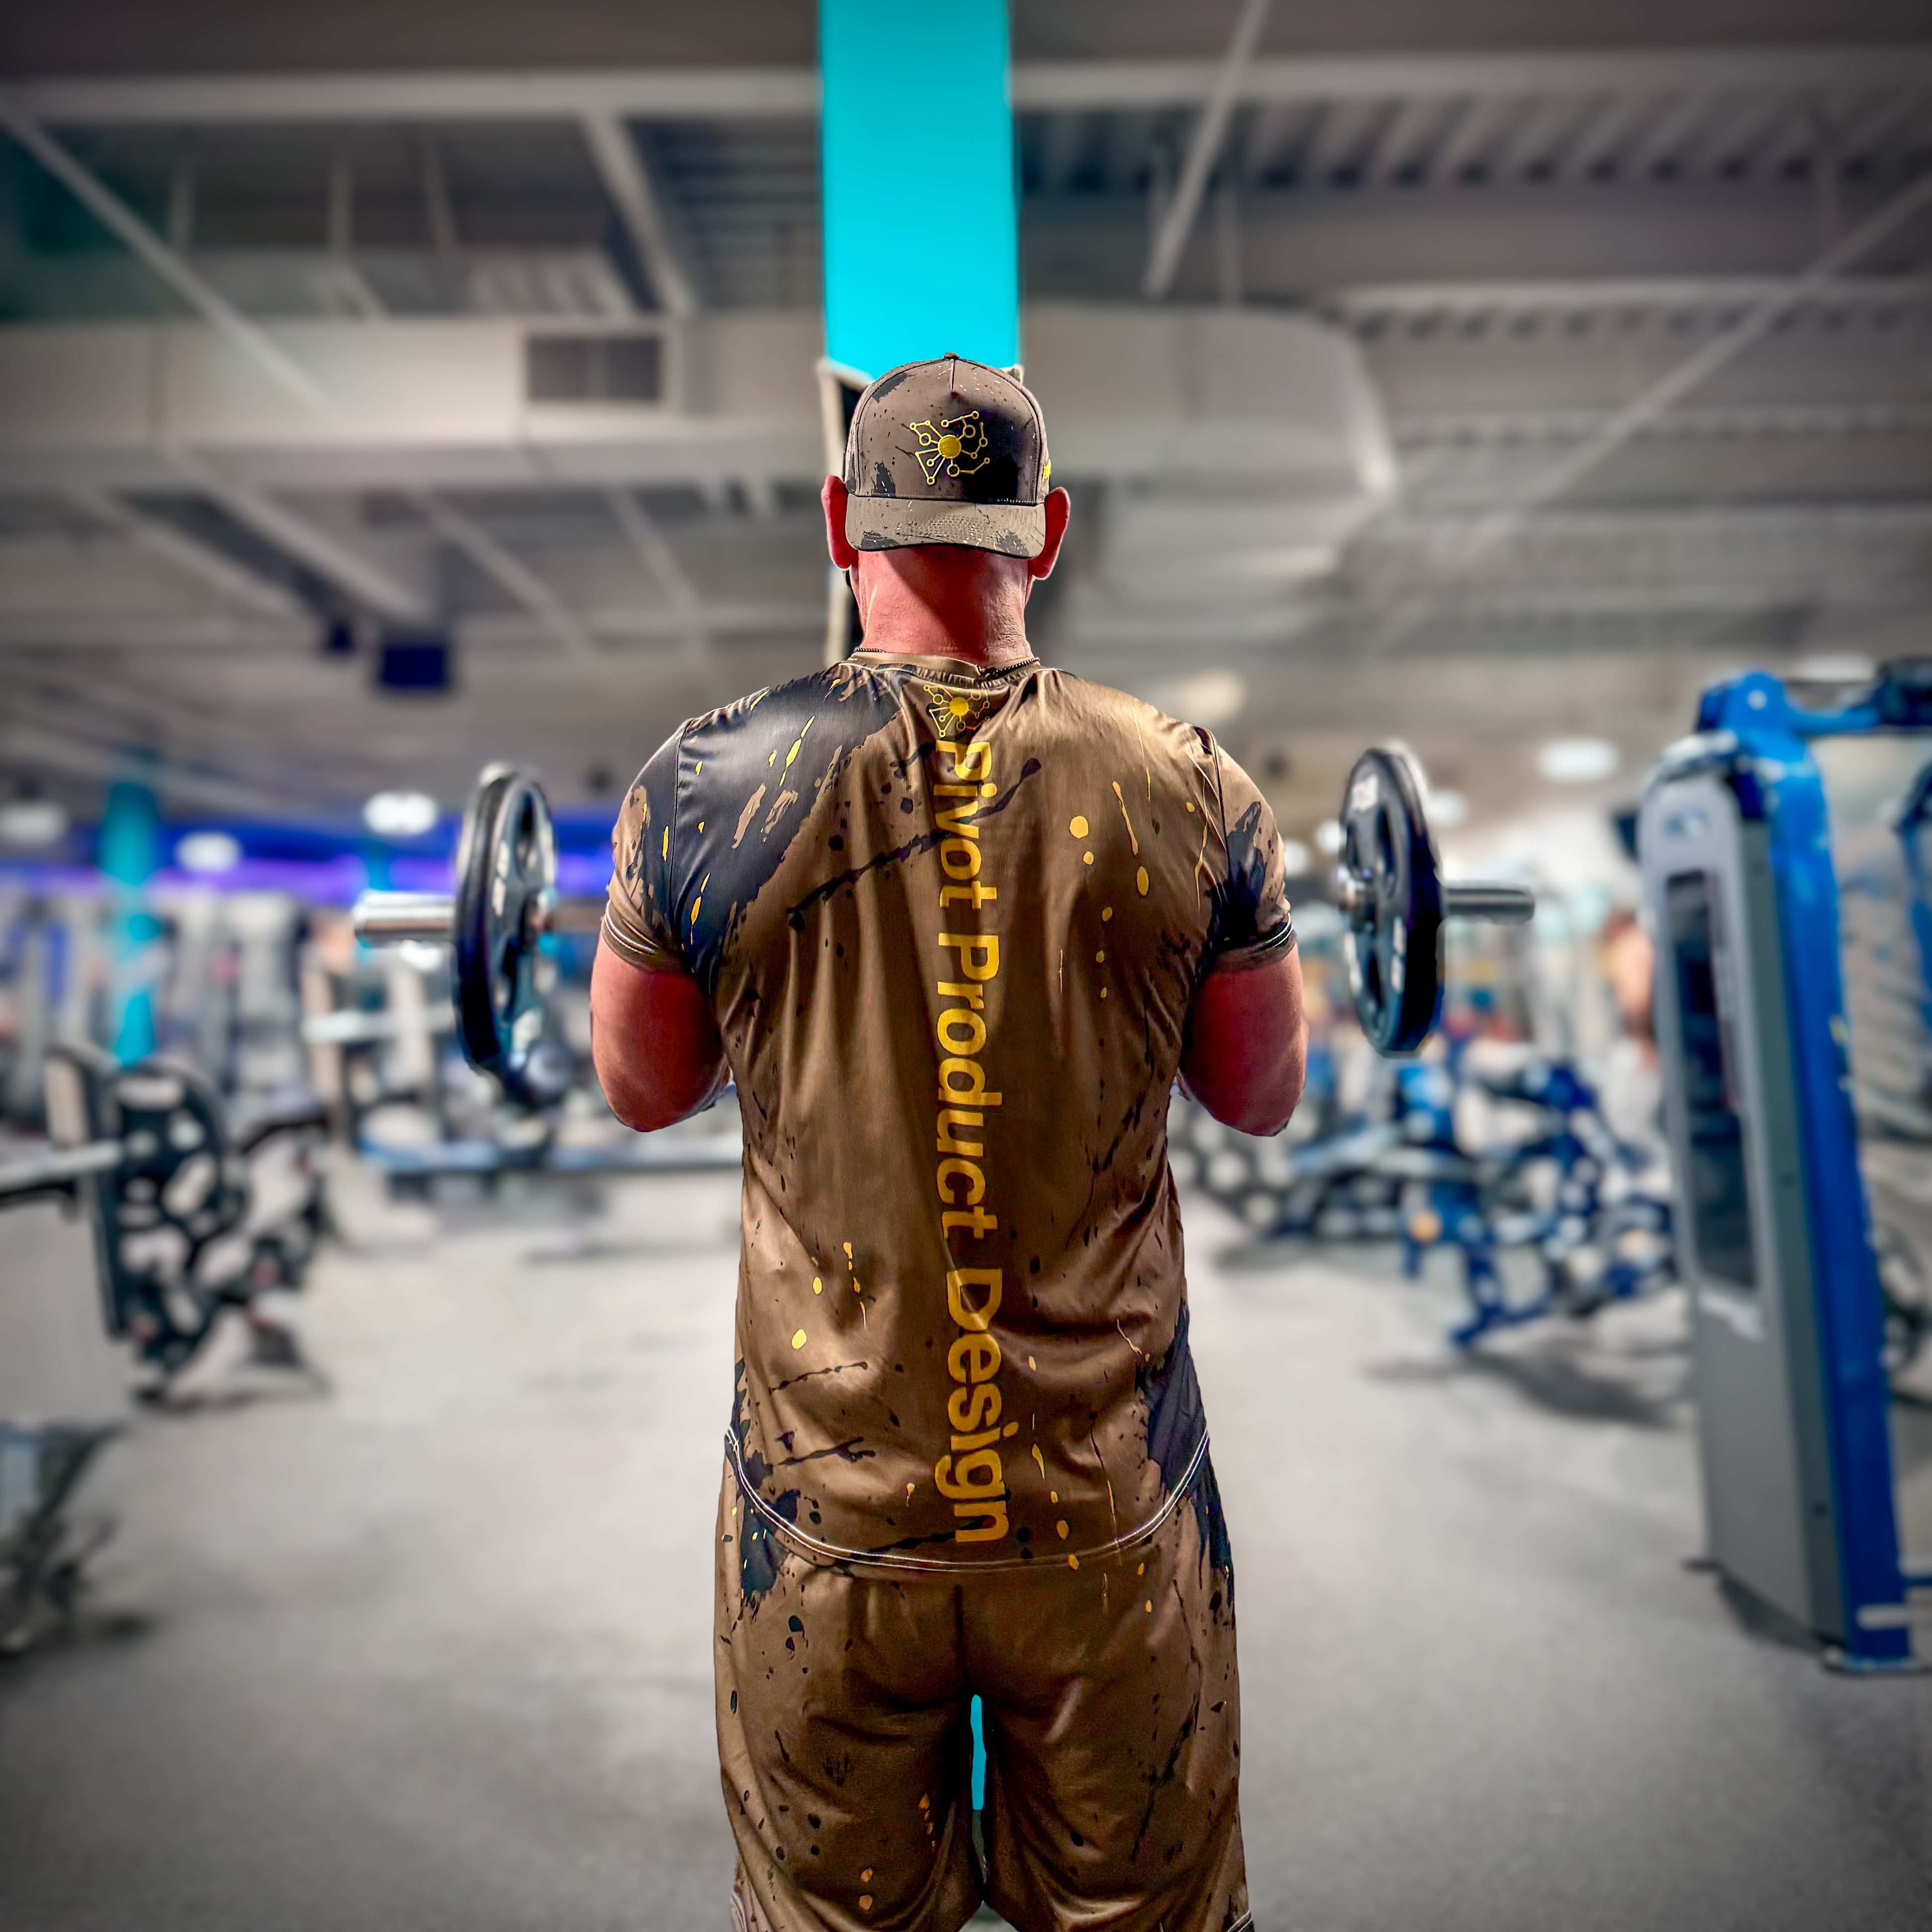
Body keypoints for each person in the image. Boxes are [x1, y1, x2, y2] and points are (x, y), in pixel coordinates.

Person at [590, 355, 1306, 1932]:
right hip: (1103, 1518)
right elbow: (1258, 1096)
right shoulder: (1194, 783)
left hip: (830, 1525)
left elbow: (642, 1088)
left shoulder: (698, 785)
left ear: (844, 519)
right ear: (1043, 533)